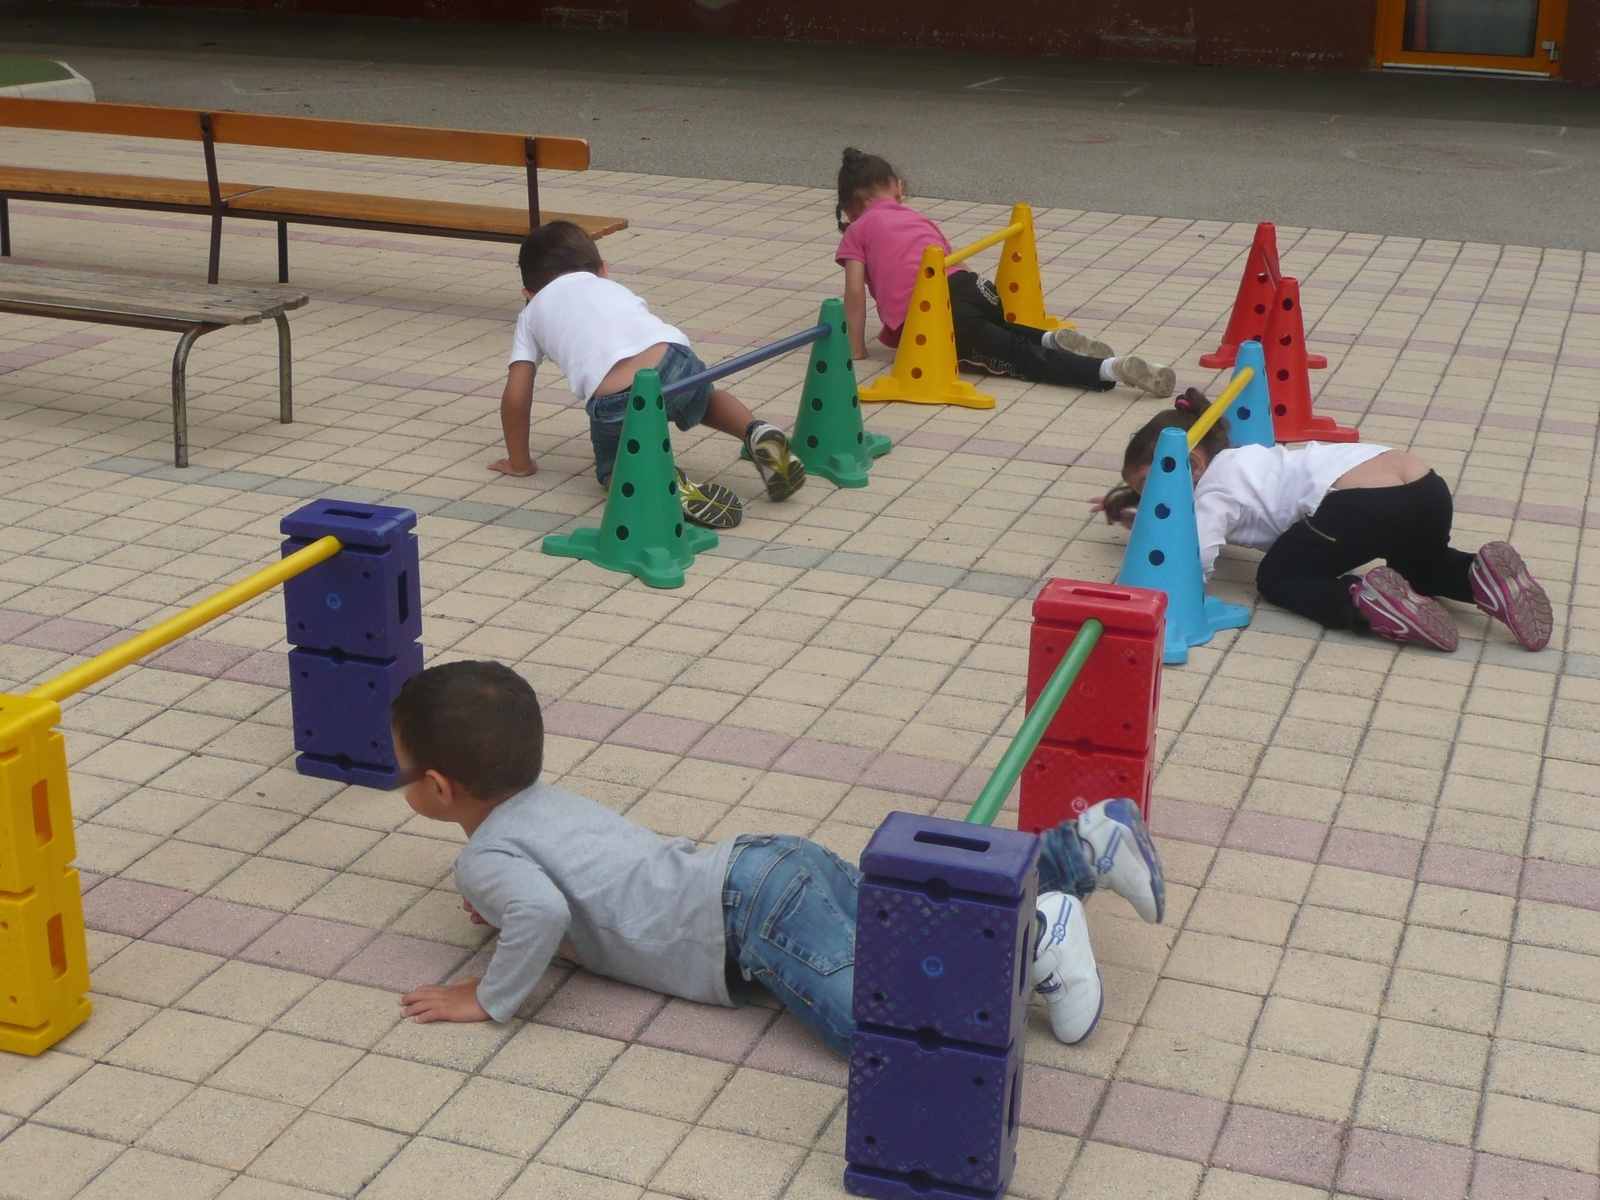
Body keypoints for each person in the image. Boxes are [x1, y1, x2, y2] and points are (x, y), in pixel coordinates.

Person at [392, 660, 1168, 1053]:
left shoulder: (483, 856)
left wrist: (488, 997)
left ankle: (1042, 936)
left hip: (747, 921)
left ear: (435, 787)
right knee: (910, 921)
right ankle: (1082, 846)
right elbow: (572, 892)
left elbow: (544, 906)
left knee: (880, 1030)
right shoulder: (541, 801)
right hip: (760, 863)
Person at [1092, 390, 1554, 652]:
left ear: (1191, 464)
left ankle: (1365, 602)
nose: (1157, 503)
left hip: (1360, 505)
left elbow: (1195, 559)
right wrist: (1142, 518)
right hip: (1424, 486)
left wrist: (1158, 586)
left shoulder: (1214, 489)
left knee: (1278, 575)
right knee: (1423, 566)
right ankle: (1481, 576)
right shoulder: (1247, 459)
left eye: (1153, 490)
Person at [489, 221, 806, 530]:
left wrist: (520, 463)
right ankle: (754, 432)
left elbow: (517, 396)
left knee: (615, 466)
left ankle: (661, 484)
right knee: (705, 398)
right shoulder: (606, 285)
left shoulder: (530, 315)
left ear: (529, 292)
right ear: (603, 269)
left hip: (617, 400)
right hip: (675, 360)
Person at [833, 148, 1176, 399]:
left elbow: (854, 293)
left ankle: (1109, 369)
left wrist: (856, 347)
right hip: (976, 288)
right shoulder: (917, 218)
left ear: (849, 210)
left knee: (1019, 358)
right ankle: (1047, 337)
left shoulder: (857, 231)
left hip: (939, 312)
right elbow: (954, 263)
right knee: (999, 329)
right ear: (898, 188)